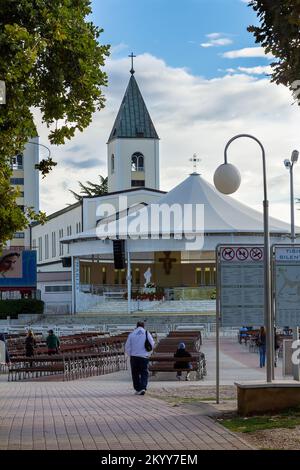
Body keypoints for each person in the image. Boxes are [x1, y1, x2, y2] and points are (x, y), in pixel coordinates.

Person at [125, 321, 154, 395]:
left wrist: (130, 354)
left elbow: (127, 347)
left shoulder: (132, 334)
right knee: (144, 372)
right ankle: (143, 387)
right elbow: (152, 344)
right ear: (143, 326)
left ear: (136, 326)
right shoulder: (147, 333)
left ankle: (138, 388)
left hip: (134, 357)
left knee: (135, 373)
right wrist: (148, 353)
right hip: (144, 356)